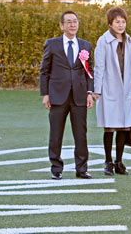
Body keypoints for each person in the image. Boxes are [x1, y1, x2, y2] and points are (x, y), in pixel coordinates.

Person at [39, 10, 94, 180]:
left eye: (75, 21)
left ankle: (82, 169)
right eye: (69, 22)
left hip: (79, 96)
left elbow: (89, 71)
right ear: (61, 25)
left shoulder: (86, 45)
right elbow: (44, 71)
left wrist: (89, 92)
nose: (72, 25)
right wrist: (46, 93)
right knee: (56, 134)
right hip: (57, 95)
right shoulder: (52, 44)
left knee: (81, 134)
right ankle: (56, 168)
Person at [93, 7, 131, 176]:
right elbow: (99, 68)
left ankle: (119, 161)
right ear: (110, 24)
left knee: (124, 127)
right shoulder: (103, 41)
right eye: (117, 22)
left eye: (123, 21)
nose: (120, 25)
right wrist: (97, 90)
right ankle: (108, 161)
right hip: (108, 89)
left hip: (126, 90)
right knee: (110, 127)